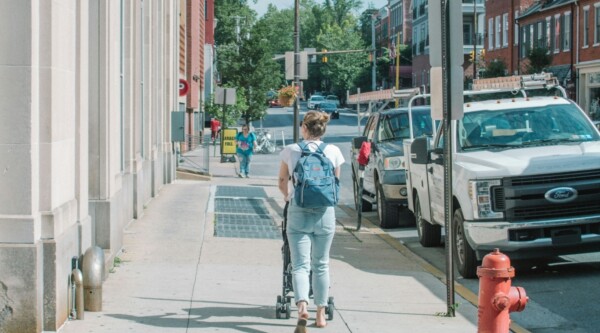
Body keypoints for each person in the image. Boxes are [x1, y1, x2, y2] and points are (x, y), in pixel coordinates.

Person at [277, 111, 345, 332]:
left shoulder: (292, 150)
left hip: (299, 210)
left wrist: (288, 196)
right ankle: (321, 314)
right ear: (322, 129)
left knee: (300, 265)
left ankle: (302, 306)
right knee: (321, 263)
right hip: (325, 213)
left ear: (304, 128)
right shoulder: (333, 151)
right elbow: (335, 182)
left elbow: (282, 180)